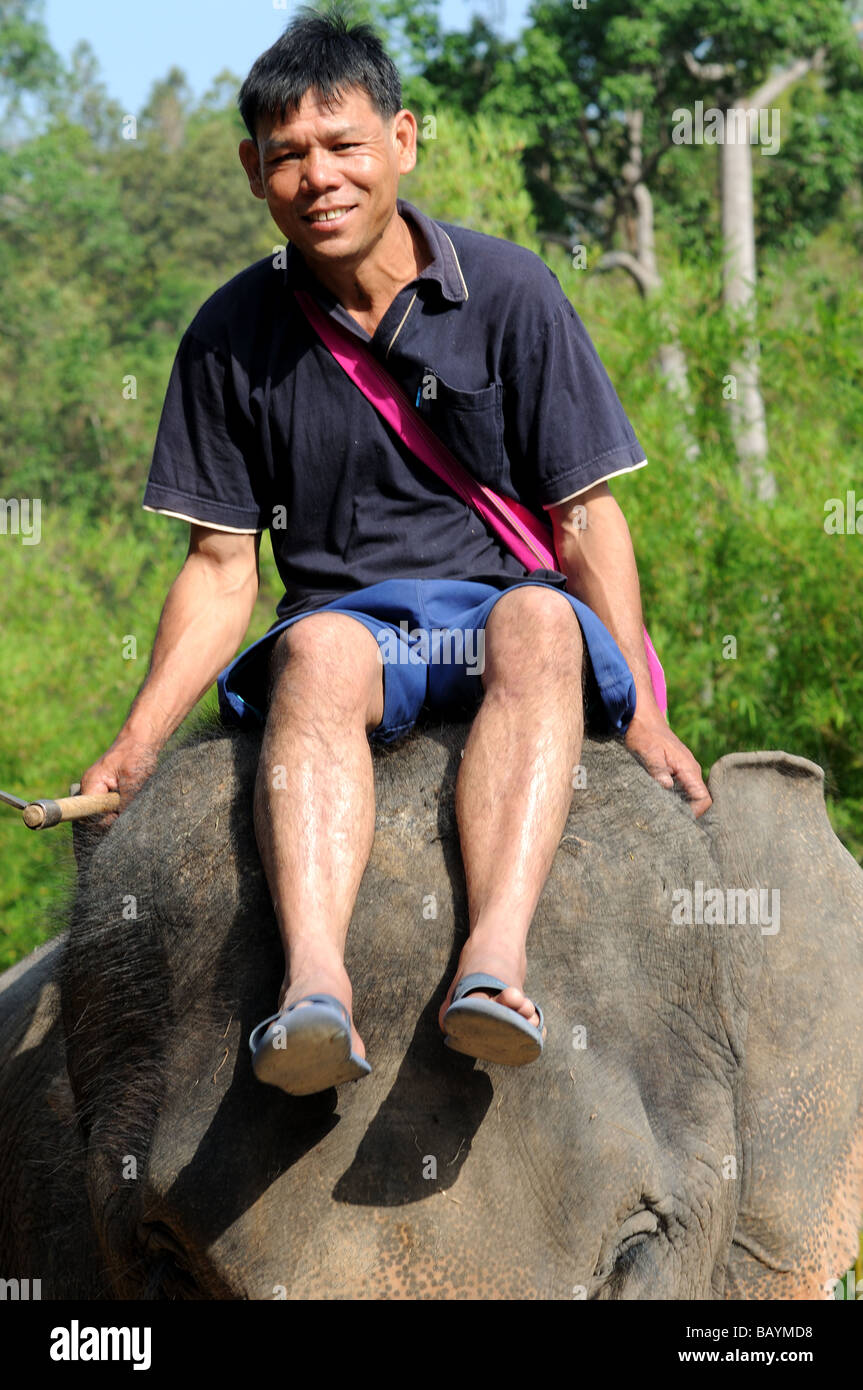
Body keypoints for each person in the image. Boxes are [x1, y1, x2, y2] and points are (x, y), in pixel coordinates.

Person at [81, 7, 711, 1097]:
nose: (317, 177)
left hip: (505, 604)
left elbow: (585, 518)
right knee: (316, 651)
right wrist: (135, 748)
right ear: (251, 171)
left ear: (402, 141)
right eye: (287, 157)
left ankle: (492, 961)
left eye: (343, 146)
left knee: (537, 620)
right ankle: (315, 986)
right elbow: (222, 567)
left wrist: (647, 716)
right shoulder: (230, 335)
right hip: (353, 627)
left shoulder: (509, 292)